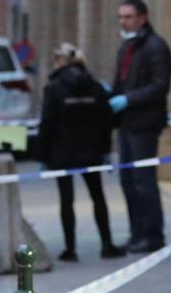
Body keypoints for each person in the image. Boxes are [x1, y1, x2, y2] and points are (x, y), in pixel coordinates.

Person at [36, 43, 125, 262]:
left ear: (60, 61)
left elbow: (48, 122)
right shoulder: (95, 86)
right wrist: (104, 149)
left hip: (62, 150)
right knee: (98, 195)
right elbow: (107, 120)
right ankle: (106, 244)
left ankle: (70, 249)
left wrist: (41, 153)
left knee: (66, 200)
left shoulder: (54, 87)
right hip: (91, 149)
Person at [109, 0, 171, 253]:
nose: (123, 22)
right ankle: (137, 234)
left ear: (142, 18)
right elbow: (121, 81)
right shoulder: (127, 47)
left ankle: (153, 235)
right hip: (126, 123)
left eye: (128, 17)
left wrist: (128, 99)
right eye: (121, 17)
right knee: (127, 180)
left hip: (145, 123)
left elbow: (160, 86)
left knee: (143, 179)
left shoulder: (156, 47)